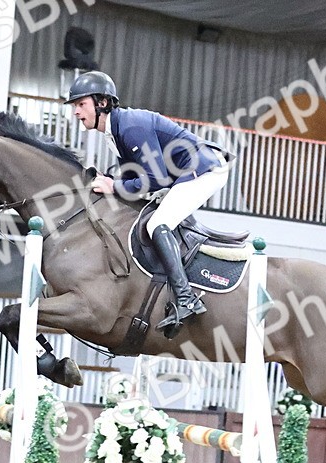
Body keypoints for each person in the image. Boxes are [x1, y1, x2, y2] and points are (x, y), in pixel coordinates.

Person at [65, 70, 231, 336]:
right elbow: (135, 176)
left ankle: (186, 299)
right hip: (183, 172)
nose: (75, 111)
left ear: (102, 103)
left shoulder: (130, 127)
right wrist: (112, 183)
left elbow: (155, 178)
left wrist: (113, 185)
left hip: (205, 167)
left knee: (158, 223)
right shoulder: (115, 131)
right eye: (74, 106)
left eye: (81, 104)